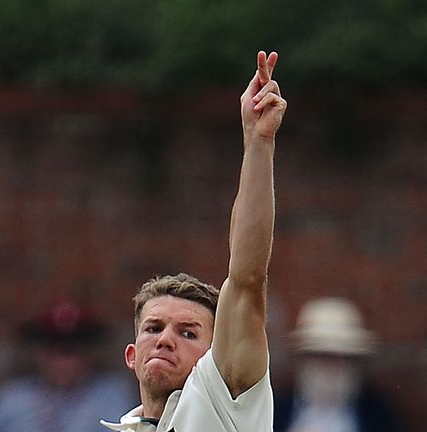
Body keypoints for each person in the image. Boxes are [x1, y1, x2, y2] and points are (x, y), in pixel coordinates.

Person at [101, 50, 286, 432]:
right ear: (132, 355)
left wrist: (258, 142)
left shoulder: (222, 392)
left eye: (188, 333)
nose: (165, 341)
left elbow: (247, 275)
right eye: (153, 328)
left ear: (215, 353)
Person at [0, 300, 137, 432]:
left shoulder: (111, 395)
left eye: (71, 350)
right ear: (38, 352)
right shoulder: (10, 399)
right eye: (53, 349)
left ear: (89, 353)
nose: (62, 361)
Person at [273, 297, 400, 432]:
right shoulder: (275, 411)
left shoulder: (378, 416)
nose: (333, 368)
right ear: (303, 360)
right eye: (323, 356)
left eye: (343, 358)